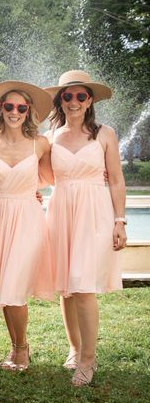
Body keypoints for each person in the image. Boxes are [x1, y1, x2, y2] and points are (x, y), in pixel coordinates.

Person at [44, 70, 125, 386]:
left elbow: (116, 179)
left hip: (94, 212)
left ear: (89, 99)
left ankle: (89, 360)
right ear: (60, 100)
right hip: (61, 209)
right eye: (68, 96)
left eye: (80, 96)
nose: (74, 102)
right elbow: (40, 175)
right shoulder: (50, 137)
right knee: (66, 285)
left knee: (83, 285)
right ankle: (75, 349)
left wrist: (120, 221)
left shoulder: (106, 134)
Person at [0, 81, 56, 372]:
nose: (14, 112)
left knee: (14, 284)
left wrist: (31, 188)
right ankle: (14, 347)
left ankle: (22, 348)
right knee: (3, 286)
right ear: (1, 109)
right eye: (9, 106)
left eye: (21, 107)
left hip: (26, 217)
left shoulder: (41, 143)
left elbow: (50, 177)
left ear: (29, 111)